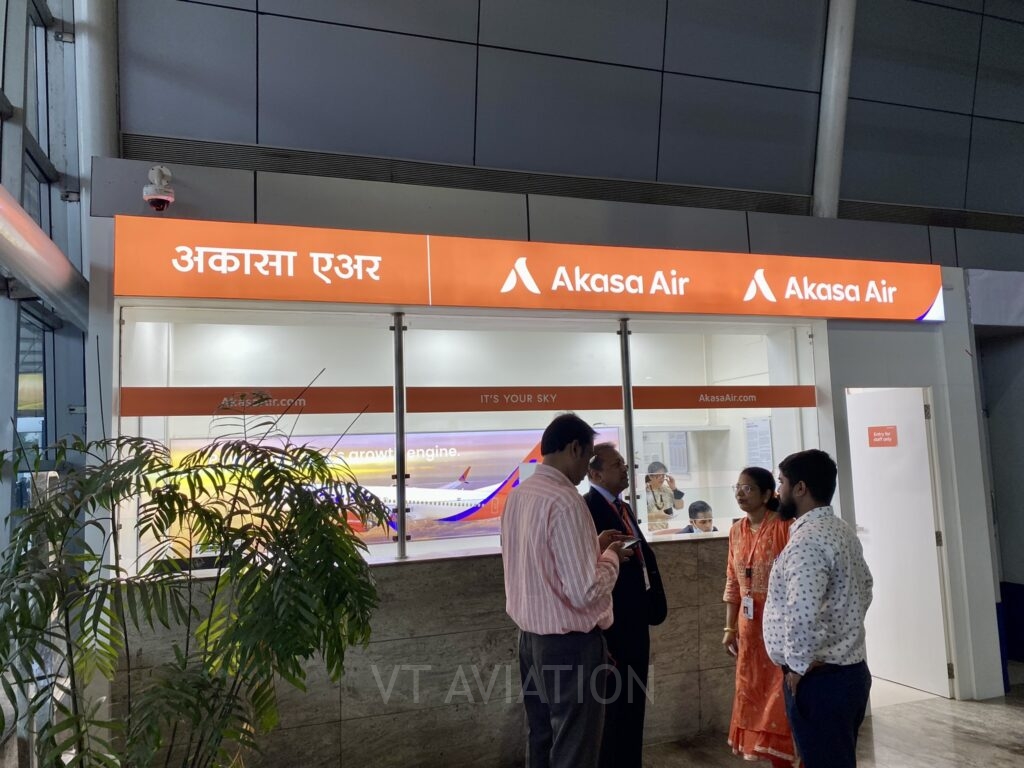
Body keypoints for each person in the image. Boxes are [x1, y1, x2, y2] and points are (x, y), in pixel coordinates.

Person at [501, 414, 633, 768]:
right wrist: (610, 557)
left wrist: (592, 547)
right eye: (589, 457)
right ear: (575, 448)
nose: (586, 469)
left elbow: (538, 560)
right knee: (575, 747)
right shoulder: (565, 499)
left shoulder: (519, 495)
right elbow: (586, 591)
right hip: (570, 647)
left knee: (542, 737)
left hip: (529, 641)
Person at [763, 449, 874, 768]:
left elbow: (804, 612)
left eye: (781, 482)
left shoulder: (808, 541)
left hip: (820, 680)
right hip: (848, 673)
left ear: (800, 488)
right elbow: (865, 587)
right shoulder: (841, 531)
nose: (778, 490)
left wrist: (797, 667)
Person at [583, 443, 667, 768]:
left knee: (634, 703)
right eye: (617, 464)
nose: (625, 469)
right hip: (612, 625)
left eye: (625, 463)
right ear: (595, 472)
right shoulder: (587, 508)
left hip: (637, 619)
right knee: (614, 708)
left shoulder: (623, 507)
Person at [722, 468, 797, 767]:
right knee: (751, 692)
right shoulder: (736, 530)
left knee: (780, 696)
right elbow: (732, 581)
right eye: (737, 488)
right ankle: (768, 755)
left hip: (779, 629)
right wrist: (729, 627)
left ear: (768, 494)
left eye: (748, 488)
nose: (740, 493)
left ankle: (786, 758)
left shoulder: (784, 526)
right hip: (748, 630)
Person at [644, 461, 686, 530]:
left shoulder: (666, 489)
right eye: (658, 475)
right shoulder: (644, 491)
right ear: (650, 476)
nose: (661, 478)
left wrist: (674, 489)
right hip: (648, 532)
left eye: (663, 475)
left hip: (664, 530)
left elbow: (680, 506)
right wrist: (656, 515)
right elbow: (639, 516)